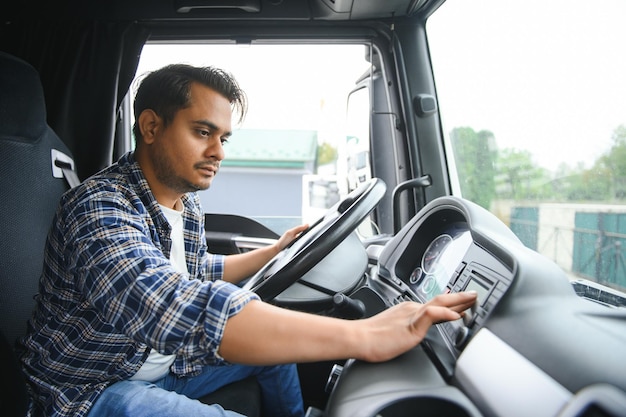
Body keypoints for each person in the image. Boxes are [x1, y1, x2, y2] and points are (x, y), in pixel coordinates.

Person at [18, 64, 477, 417]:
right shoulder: (99, 208)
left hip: (160, 365)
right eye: (202, 132)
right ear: (152, 126)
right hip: (91, 388)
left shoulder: (183, 203)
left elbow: (195, 271)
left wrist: (278, 252)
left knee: (277, 357)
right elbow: (171, 302)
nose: (218, 152)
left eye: (224, 138)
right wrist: (362, 336)